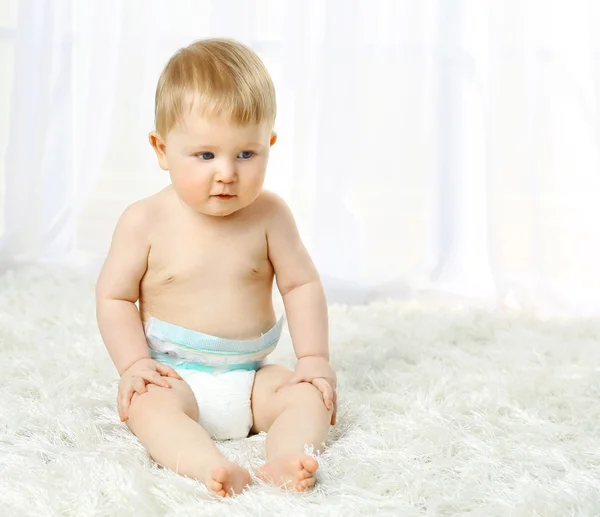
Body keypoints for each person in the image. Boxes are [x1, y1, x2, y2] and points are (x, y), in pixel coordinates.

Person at [95, 38, 336, 497]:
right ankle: (207, 466)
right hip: (174, 374)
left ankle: (285, 457)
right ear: (162, 149)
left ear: (269, 144)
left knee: (310, 396)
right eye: (205, 155)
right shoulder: (144, 220)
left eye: (246, 154)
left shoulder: (271, 215)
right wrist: (134, 365)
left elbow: (301, 284)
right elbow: (115, 296)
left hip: (252, 376)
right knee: (146, 408)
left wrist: (313, 359)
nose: (226, 172)